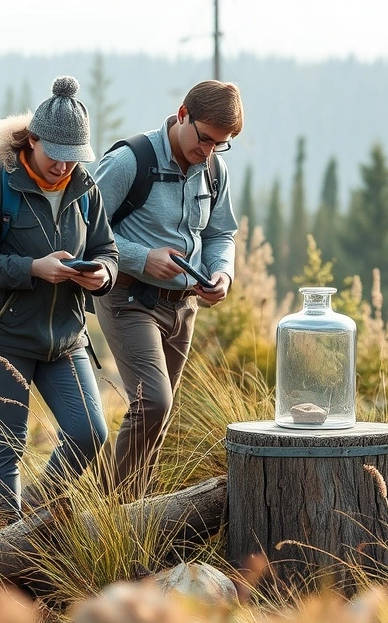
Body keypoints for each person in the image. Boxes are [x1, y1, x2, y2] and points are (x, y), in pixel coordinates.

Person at [0, 76, 119, 522]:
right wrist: (33, 269)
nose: (63, 167)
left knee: (89, 434)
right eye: (55, 155)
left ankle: (34, 512)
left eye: (73, 158)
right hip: (4, 336)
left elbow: (107, 250)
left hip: (66, 339)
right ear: (33, 139)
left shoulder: (86, 190)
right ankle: (3, 540)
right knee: (9, 443)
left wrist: (103, 274)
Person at [93, 80, 240, 499]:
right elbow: (82, 229)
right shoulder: (129, 160)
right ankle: (107, 519)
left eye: (221, 144)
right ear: (182, 115)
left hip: (184, 307)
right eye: (205, 138)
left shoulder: (214, 169)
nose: (209, 150)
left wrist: (222, 275)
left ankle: (130, 513)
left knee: (159, 415)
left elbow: (221, 233)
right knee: (153, 402)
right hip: (128, 297)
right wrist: (142, 257)